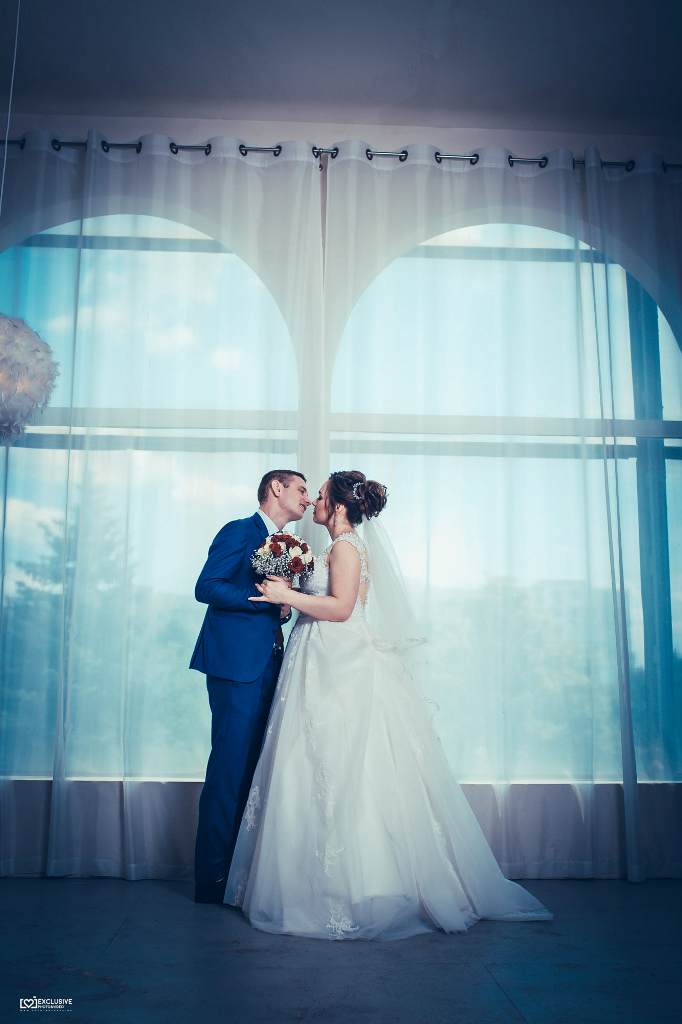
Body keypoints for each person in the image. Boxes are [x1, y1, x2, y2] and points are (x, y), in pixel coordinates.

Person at [223, 469, 553, 939]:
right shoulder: (338, 547)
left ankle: (349, 884)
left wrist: (287, 593)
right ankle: (313, 879)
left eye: (321, 496)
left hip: (337, 658)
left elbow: (341, 608)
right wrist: (287, 596)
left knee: (339, 762)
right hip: (319, 655)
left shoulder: (345, 547)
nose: (314, 502)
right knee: (314, 759)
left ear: (339, 506)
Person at [189, 469, 312, 904]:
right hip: (235, 667)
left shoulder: (285, 544)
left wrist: (282, 608)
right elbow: (207, 587)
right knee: (228, 769)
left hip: (269, 665)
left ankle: (238, 874)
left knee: (254, 770)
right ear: (276, 488)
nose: (308, 498)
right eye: (301, 489)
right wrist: (263, 601)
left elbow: (275, 606)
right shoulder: (239, 531)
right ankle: (211, 880)